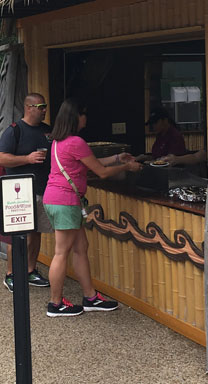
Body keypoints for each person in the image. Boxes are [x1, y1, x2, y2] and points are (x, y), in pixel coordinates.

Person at [43, 97, 140, 316]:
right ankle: (55, 304)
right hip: (65, 201)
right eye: (84, 113)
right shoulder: (75, 141)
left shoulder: (59, 141)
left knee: (80, 247)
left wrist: (117, 157)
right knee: (61, 253)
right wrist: (127, 166)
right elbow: (102, 172)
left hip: (59, 199)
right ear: (76, 117)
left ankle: (90, 297)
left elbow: (92, 163)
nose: (86, 118)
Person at [0, 93, 53, 292]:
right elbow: (1, 159)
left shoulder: (47, 131)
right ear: (29, 107)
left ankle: (30, 270)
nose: (45, 110)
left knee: (37, 233)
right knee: (17, 234)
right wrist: (27, 159)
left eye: (45, 106)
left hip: (43, 189)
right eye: (41, 106)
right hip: (18, 192)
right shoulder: (14, 130)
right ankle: (10, 274)